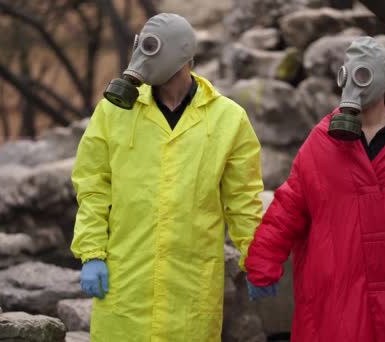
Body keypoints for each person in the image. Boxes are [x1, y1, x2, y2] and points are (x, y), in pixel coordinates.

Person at [244, 37, 385, 342]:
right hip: (333, 304)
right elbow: (287, 208)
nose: (355, 86)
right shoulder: (322, 142)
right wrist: (263, 260)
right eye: (350, 75)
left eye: (364, 76)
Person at [70, 13, 264, 341]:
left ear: (183, 55)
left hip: (190, 290)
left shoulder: (228, 120)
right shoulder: (115, 110)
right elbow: (92, 184)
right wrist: (91, 253)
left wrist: (258, 259)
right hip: (127, 282)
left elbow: (243, 200)